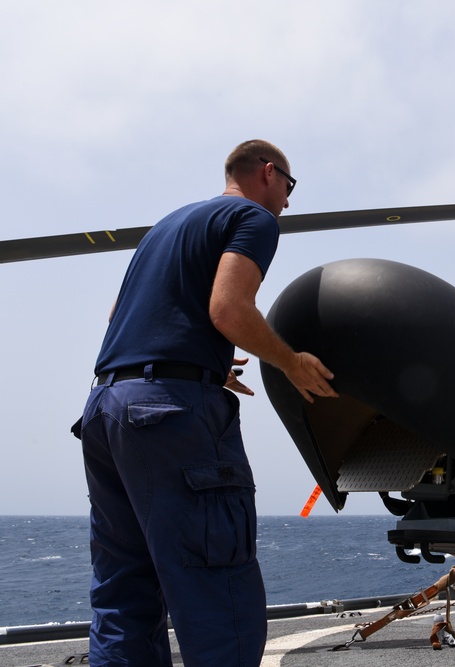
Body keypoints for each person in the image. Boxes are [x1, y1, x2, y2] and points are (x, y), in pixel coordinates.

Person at [76, 140, 338, 667]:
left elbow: (120, 315)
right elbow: (228, 309)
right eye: (288, 188)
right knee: (218, 588)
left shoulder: (166, 227)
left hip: (106, 408)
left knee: (124, 591)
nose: (287, 203)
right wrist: (290, 361)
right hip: (170, 413)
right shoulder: (254, 218)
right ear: (268, 173)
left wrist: (209, 365)